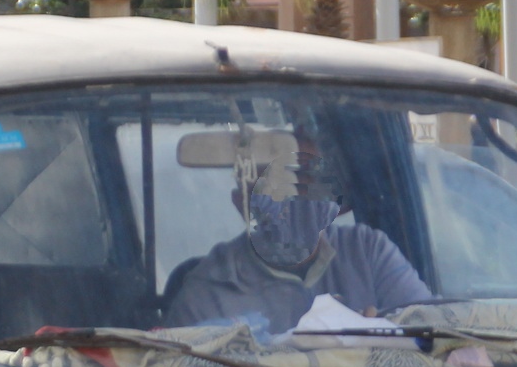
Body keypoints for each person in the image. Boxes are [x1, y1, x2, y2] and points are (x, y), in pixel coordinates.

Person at [162, 130, 433, 335]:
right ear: (242, 204)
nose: (293, 201)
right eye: (275, 189)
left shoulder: (368, 252)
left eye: (307, 185)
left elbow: (433, 334)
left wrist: (380, 334)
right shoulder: (208, 291)